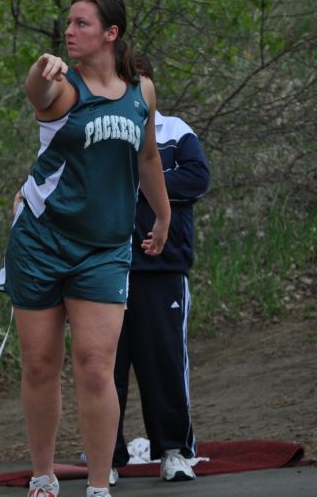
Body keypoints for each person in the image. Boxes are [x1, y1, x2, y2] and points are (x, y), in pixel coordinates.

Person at [0, 0, 171, 497]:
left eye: (82, 23)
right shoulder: (63, 89)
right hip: (41, 241)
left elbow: (148, 157)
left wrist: (162, 215)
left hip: (104, 248)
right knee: (40, 364)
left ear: (110, 33)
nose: (69, 31)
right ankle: (44, 475)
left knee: (96, 366)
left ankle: (99, 486)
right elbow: (36, 95)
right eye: (67, 23)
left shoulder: (142, 92)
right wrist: (38, 69)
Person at [111, 55, 210, 485]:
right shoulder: (105, 131)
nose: (134, 89)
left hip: (161, 267)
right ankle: (106, 460)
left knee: (164, 363)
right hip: (105, 267)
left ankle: (174, 452)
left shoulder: (176, 131)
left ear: (149, 85)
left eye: (139, 80)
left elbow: (197, 178)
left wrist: (145, 184)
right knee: (105, 367)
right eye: (125, 82)